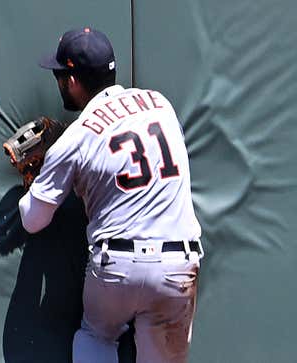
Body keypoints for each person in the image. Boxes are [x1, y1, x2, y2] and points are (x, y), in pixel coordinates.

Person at [18, 27, 203, 363]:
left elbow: (33, 221)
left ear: (72, 81)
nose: (59, 82)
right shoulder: (160, 104)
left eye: (60, 75)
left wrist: (35, 181)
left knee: (97, 336)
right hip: (178, 265)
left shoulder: (75, 138)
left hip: (117, 267)